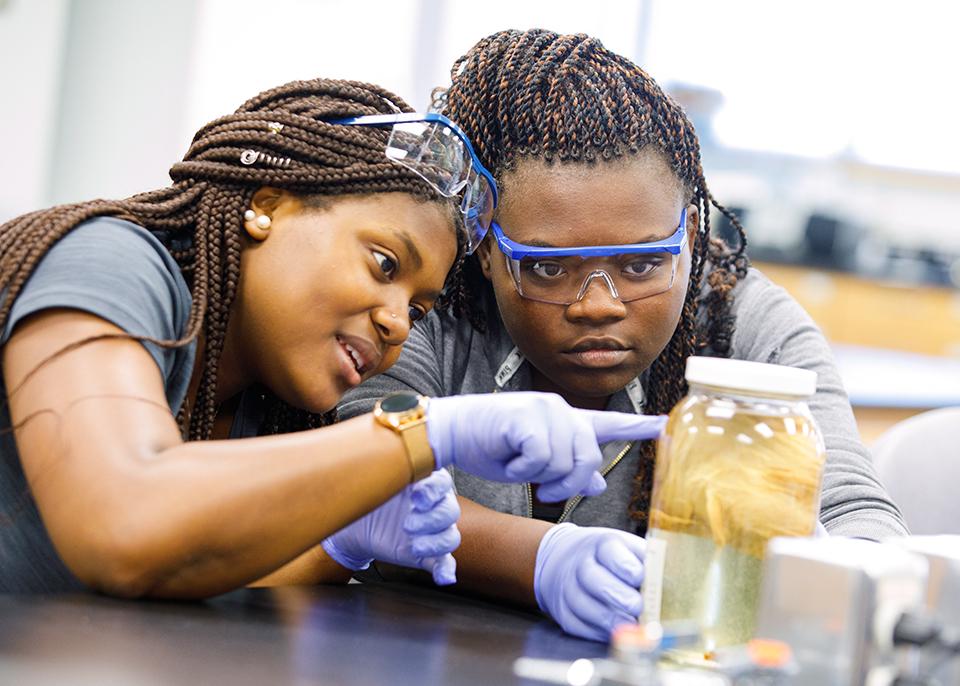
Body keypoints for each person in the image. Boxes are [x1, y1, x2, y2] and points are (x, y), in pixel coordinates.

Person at [338, 31, 908, 641]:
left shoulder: (744, 321)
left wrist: (839, 564)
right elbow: (350, 475)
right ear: (486, 245)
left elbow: (857, 514)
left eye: (640, 264)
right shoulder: (431, 302)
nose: (597, 307)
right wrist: (542, 560)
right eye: (548, 267)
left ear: (688, 235)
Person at [0, 77, 664, 597]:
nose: (397, 322)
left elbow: (196, 567)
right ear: (269, 203)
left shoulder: (268, 404)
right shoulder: (112, 263)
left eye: (420, 308)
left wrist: (342, 541)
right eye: (383, 264)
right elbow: (121, 524)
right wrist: (420, 435)